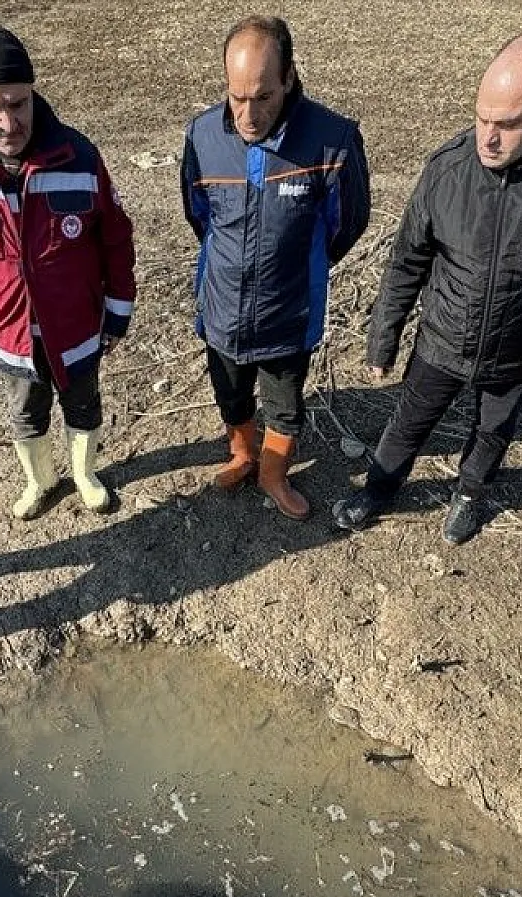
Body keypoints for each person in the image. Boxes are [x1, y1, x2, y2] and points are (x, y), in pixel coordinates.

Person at [333, 30, 522, 544]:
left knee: (494, 430)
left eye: (508, 124)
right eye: (481, 118)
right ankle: (380, 489)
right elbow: (408, 259)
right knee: (409, 419)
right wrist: (385, 335)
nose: (487, 138)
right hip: (445, 336)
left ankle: (470, 495)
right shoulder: (448, 169)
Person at [0, 26, 137, 520]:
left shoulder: (79, 156)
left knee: (84, 405)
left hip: (77, 327)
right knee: (26, 413)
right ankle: (41, 480)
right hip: (8, 333)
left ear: (33, 93)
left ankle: (85, 474)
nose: (7, 121)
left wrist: (117, 312)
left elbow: (115, 239)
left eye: (17, 104)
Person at [181, 15, 371, 520]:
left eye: (263, 97)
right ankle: (243, 455)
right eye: (237, 96)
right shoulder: (202, 134)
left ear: (288, 78)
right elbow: (199, 215)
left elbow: (348, 221)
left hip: (289, 310)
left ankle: (273, 474)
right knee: (231, 390)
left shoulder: (333, 140)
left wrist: (298, 263)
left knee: (284, 404)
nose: (247, 114)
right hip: (222, 304)